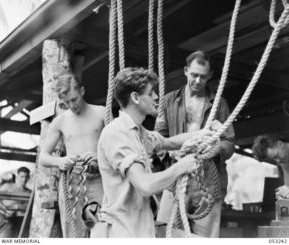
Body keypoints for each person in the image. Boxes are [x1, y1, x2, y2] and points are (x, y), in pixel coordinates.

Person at [91, 67, 216, 238]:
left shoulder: (138, 132)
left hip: (139, 228)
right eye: (150, 93)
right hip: (121, 232)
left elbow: (168, 142)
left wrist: (203, 133)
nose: (156, 97)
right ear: (135, 97)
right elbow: (145, 185)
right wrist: (181, 167)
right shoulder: (117, 133)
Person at [154, 51, 235, 237]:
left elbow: (229, 142)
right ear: (185, 71)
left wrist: (215, 149)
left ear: (211, 76)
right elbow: (159, 139)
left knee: (204, 239)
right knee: (165, 234)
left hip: (207, 183)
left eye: (203, 76)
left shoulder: (219, 104)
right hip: (174, 178)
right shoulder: (168, 101)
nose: (198, 80)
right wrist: (169, 151)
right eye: (194, 75)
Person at [39, 74, 105, 237]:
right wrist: (60, 161)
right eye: (66, 102)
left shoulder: (102, 113)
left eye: (74, 99)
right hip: (72, 182)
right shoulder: (60, 121)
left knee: (101, 230)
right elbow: (43, 157)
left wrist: (99, 156)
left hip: (99, 179)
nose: (71, 105)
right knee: (74, 233)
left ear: (82, 91)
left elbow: (117, 147)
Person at [0, 167, 31, 238]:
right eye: (22, 176)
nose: (24, 179)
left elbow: (26, 208)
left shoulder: (29, 192)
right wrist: (5, 209)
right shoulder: (8, 186)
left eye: (26, 177)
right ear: (17, 176)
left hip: (9, 220)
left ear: (29, 177)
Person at [252, 134, 289, 199]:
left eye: (276, 157)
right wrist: (285, 191)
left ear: (280, 144)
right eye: (274, 159)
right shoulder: (284, 161)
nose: (278, 161)